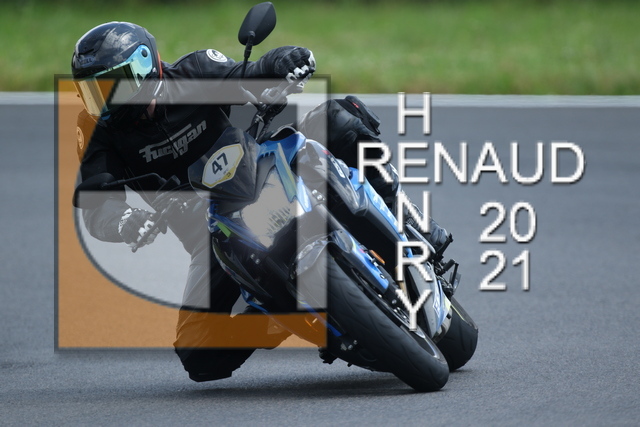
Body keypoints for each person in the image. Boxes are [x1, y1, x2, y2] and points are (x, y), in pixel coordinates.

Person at [72, 21, 448, 382]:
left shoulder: (194, 70)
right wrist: (124, 221)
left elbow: (247, 75)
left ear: (144, 68)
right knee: (198, 352)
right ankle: (294, 315)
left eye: (112, 85)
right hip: (209, 236)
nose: (104, 100)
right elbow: (96, 203)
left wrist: (284, 62)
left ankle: (411, 221)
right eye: (94, 91)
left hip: (260, 168)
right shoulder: (96, 131)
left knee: (339, 119)